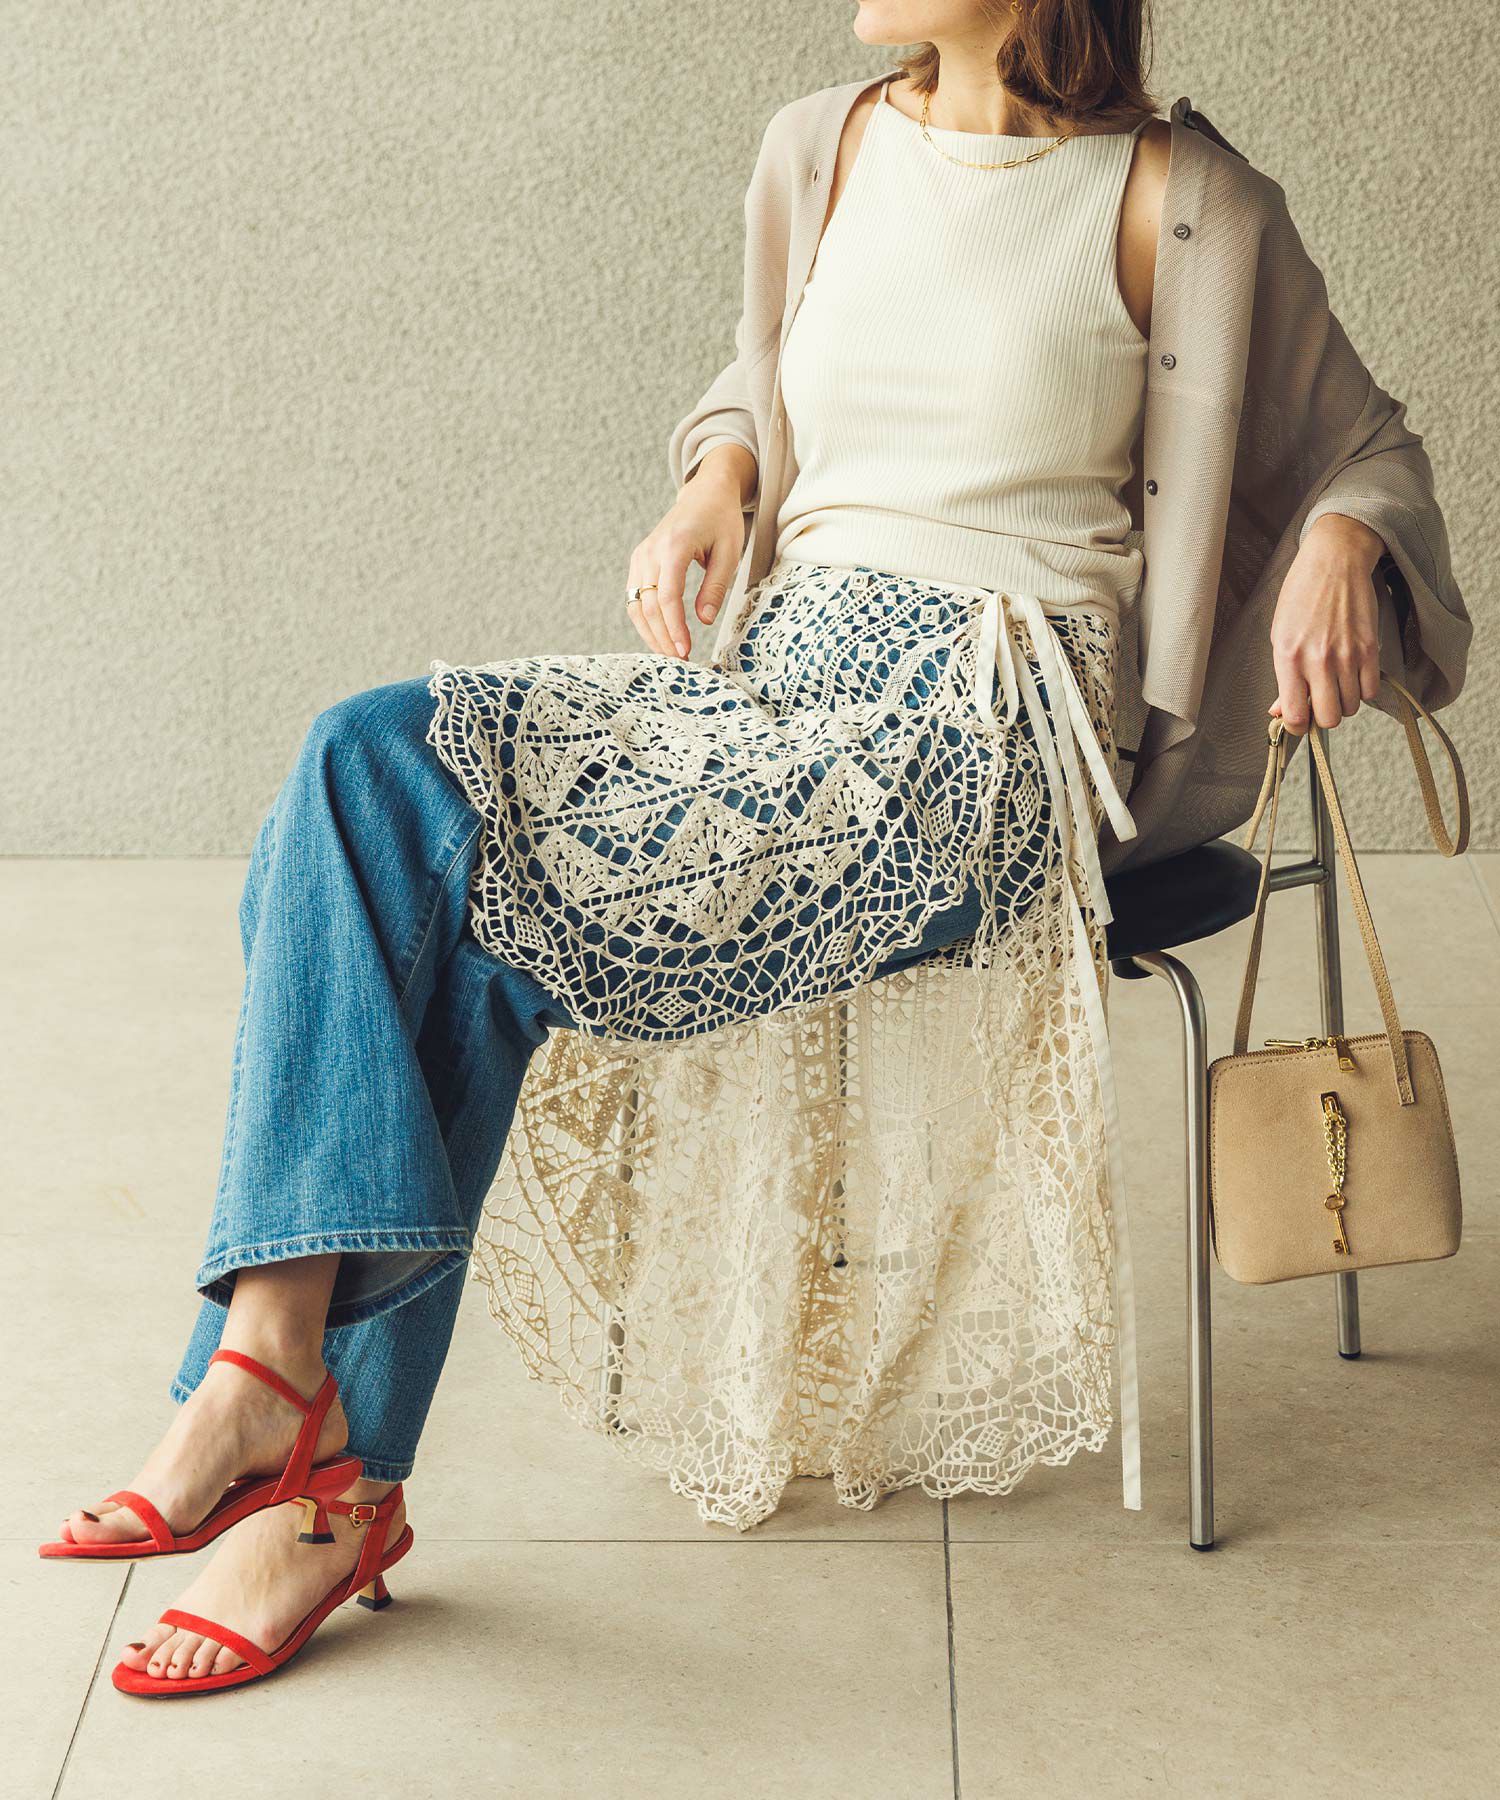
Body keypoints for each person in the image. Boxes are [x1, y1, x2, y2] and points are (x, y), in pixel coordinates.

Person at [40, 1, 1469, 1698]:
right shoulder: (820, 147)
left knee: (466, 908)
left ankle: (301, 1451)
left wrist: (1342, 538)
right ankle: (284, 1387)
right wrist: (718, 474)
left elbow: (1370, 447)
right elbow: (771, 380)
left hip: (977, 733)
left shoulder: (1184, 202)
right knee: (363, 765)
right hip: (782, 682)